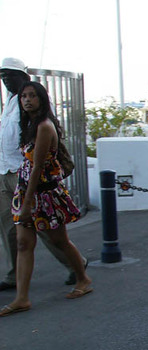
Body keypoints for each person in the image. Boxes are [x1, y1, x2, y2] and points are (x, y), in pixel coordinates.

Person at [0, 81, 92, 317]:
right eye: (24, 97)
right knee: (23, 244)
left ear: (42, 99)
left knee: (60, 241)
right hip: (27, 192)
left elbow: (38, 167)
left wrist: (28, 203)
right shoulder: (29, 124)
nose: (27, 100)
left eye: (32, 96)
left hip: (43, 195)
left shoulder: (43, 126)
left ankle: (83, 278)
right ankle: (22, 298)